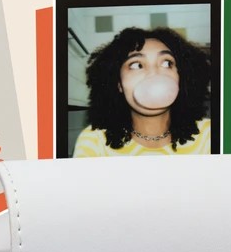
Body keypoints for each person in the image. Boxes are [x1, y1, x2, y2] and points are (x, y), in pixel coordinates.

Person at [72, 25, 213, 156]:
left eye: (166, 63)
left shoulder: (210, 135)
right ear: (118, 84)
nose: (154, 74)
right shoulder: (94, 142)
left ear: (181, 77)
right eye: (136, 65)